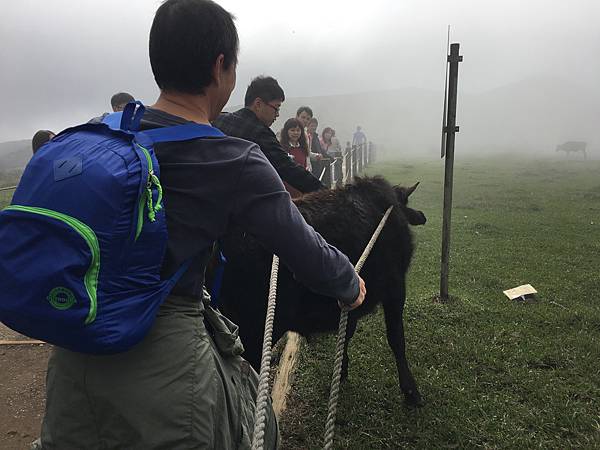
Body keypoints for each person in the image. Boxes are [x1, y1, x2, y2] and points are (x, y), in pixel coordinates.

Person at [40, 1, 365, 449]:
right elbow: (304, 249)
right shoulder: (230, 157)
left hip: (73, 349)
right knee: (260, 428)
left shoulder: (103, 131)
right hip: (163, 362)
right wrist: (349, 282)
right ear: (221, 68)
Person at [213, 76, 324, 194]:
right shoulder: (261, 133)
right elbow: (287, 168)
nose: (277, 115)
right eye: (276, 108)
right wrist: (325, 192)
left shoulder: (219, 120)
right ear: (258, 104)